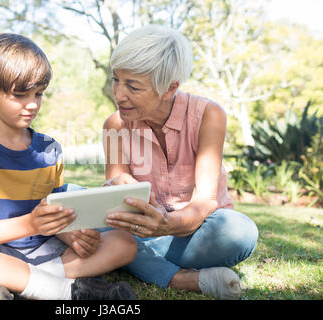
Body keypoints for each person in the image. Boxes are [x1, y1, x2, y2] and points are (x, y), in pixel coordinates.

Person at [0, 33, 138, 300]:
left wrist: (69, 234)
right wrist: (32, 224)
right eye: (20, 95)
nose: (32, 104)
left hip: (44, 250)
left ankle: (13, 286)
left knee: (124, 243)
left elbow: (52, 213)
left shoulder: (49, 149)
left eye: (38, 94)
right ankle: (64, 291)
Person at [102, 25, 259, 300]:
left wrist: (168, 224)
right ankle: (180, 278)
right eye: (116, 80)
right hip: (138, 229)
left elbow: (205, 201)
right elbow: (113, 183)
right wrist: (118, 185)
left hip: (195, 232)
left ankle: (128, 257)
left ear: (170, 88)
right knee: (69, 196)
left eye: (133, 86)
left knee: (239, 232)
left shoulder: (208, 114)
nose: (119, 94)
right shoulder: (115, 124)